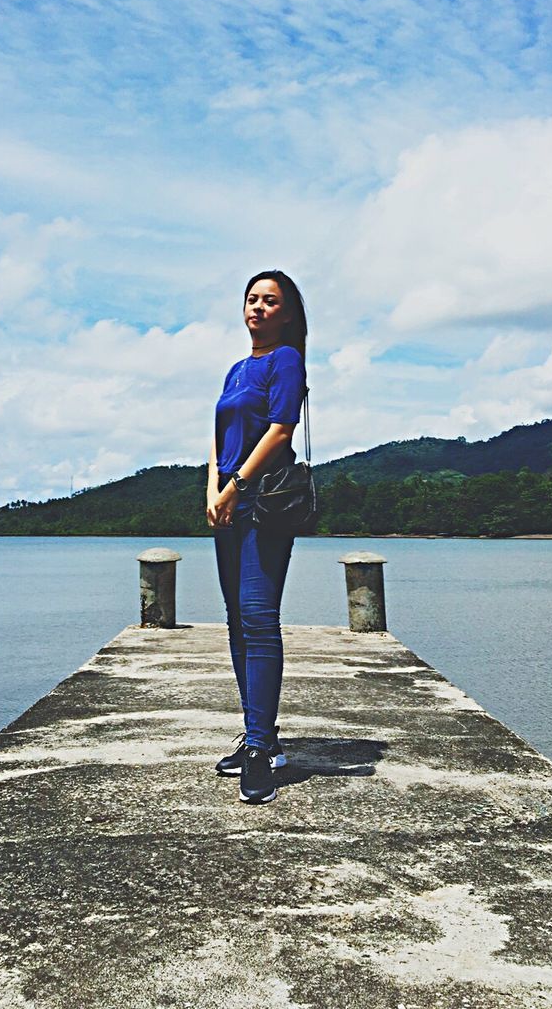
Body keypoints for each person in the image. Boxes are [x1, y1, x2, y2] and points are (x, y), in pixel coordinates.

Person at [207, 269, 308, 804]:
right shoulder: (235, 369)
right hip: (226, 503)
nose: (259, 308)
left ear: (288, 313)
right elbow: (215, 435)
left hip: (263, 504)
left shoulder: (285, 361)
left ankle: (264, 750)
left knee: (259, 618)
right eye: (252, 299)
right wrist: (212, 489)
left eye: (271, 301)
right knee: (236, 623)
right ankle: (254, 735)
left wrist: (237, 485)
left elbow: (281, 429)